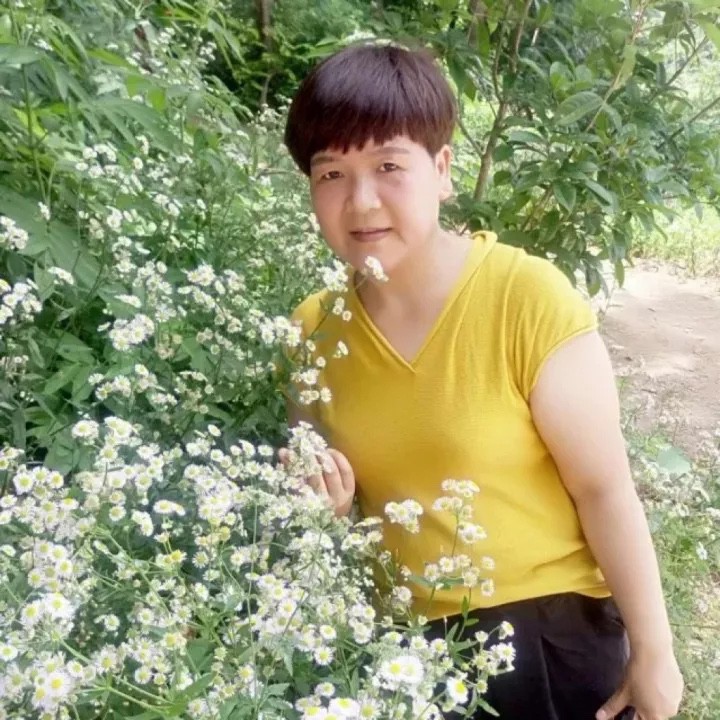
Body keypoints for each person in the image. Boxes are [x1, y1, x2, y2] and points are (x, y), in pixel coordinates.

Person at [279, 42, 683, 720]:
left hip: (548, 639)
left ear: (441, 170)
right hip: (405, 653)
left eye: (388, 166)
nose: (361, 201)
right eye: (332, 173)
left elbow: (604, 488)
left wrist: (655, 649)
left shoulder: (525, 298)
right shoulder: (312, 330)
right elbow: (318, 501)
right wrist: (321, 512)